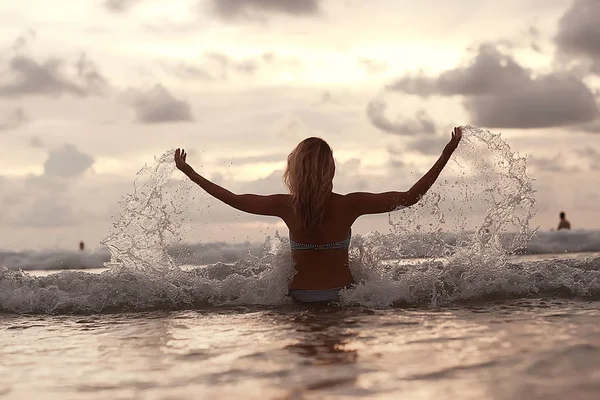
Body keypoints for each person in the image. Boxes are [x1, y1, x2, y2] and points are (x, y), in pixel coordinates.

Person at [174, 127, 463, 302]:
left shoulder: (285, 205)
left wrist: (190, 173)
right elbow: (411, 198)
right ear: (331, 169)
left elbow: (234, 199)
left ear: (294, 170)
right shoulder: (350, 204)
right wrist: (446, 153)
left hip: (297, 300)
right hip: (345, 297)